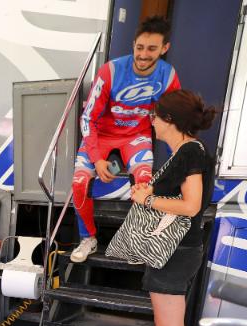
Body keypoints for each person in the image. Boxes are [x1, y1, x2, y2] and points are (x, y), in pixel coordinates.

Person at [121, 90, 217, 326]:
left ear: (170, 120)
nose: (153, 121)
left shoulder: (190, 151)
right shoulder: (187, 151)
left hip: (176, 251)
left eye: (156, 116)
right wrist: (150, 194)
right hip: (171, 248)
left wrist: (147, 200)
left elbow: (191, 206)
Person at [70, 16, 180, 263]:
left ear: (164, 48)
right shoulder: (111, 70)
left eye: (151, 48)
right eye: (139, 47)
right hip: (102, 135)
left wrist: (178, 152)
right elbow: (87, 118)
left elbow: (174, 117)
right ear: (133, 44)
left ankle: (137, 242)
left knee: (144, 184)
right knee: (79, 183)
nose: (143, 54)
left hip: (136, 136)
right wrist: (97, 159)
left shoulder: (168, 75)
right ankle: (88, 239)